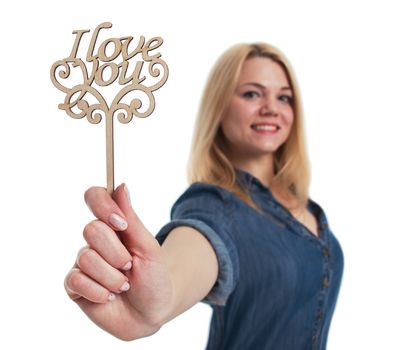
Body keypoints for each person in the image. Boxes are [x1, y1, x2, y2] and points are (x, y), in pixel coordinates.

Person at [64, 42, 344, 349]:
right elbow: (195, 248)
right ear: (219, 105)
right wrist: (161, 301)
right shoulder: (215, 205)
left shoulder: (307, 209)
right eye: (252, 93)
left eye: (284, 97)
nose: (271, 108)